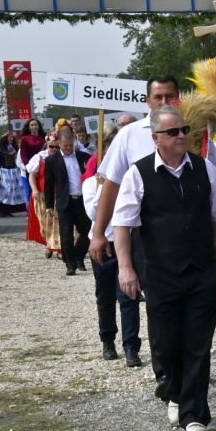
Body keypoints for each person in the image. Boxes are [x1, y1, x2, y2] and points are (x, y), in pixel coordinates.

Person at [112, 105, 216, 431]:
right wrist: (126, 269)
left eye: (184, 130)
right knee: (165, 343)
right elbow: (122, 224)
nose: (182, 136)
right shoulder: (138, 174)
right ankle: (173, 388)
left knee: (197, 342)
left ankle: (194, 414)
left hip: (200, 270)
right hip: (159, 271)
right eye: (173, 132)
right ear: (156, 139)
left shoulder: (204, 169)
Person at [90, 75, 181, 399]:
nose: (164, 102)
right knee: (158, 307)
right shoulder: (130, 136)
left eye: (170, 96)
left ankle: (184, 369)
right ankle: (167, 374)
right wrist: (99, 232)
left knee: (187, 309)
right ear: (147, 101)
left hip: (185, 235)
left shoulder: (190, 131)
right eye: (158, 97)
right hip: (144, 235)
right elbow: (111, 186)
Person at [83, 123, 142, 367]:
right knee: (105, 296)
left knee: (129, 295)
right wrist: (101, 189)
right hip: (102, 241)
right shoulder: (90, 184)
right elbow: (93, 213)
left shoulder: (130, 180)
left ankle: (131, 346)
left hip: (125, 241)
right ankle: (108, 340)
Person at [44, 126, 92, 276]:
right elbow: (48, 183)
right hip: (65, 200)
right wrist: (49, 205)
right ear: (59, 143)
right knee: (66, 235)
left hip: (82, 199)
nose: (69, 148)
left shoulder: (83, 157)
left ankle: (78, 256)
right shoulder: (52, 160)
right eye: (65, 145)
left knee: (87, 232)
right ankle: (70, 264)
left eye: (71, 145)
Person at [27, 133, 61, 258]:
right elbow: (32, 175)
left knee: (58, 222)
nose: (54, 150)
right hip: (42, 195)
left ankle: (58, 247)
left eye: (57, 147)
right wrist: (34, 190)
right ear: (47, 145)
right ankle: (49, 245)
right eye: (51, 147)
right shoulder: (39, 158)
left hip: (59, 194)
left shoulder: (64, 157)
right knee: (45, 223)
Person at [0, 131, 27, 216]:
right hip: (2, 171)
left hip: (12, 171)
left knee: (12, 191)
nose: (12, 139)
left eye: (12, 137)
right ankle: (1, 209)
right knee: (4, 190)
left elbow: (16, 160)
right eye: (10, 137)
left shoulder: (13, 148)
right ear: (5, 138)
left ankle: (8, 210)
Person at [18, 118, 47, 204]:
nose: (34, 127)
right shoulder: (25, 139)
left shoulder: (44, 138)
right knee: (32, 190)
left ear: (38, 126)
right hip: (31, 168)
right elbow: (23, 154)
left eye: (35, 125)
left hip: (43, 167)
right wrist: (28, 166)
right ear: (29, 127)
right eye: (32, 125)